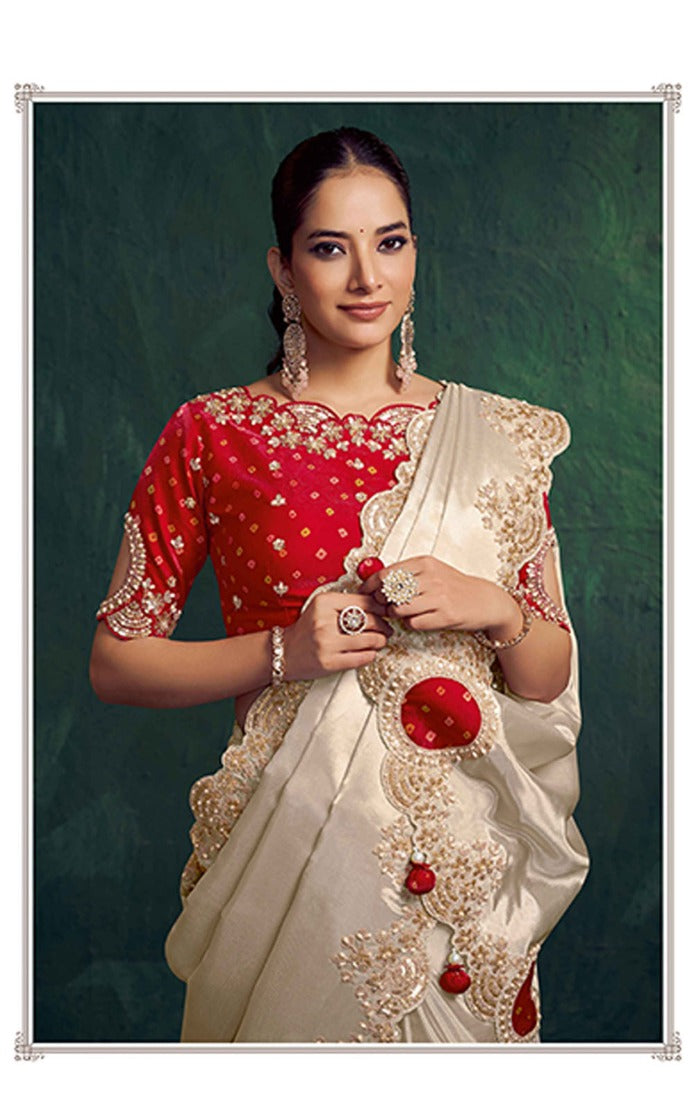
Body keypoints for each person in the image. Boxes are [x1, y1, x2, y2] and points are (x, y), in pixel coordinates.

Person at [90, 126, 589, 1044]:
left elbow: (547, 674)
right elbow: (117, 663)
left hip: (461, 879)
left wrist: (498, 608)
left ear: (414, 253)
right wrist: (285, 652)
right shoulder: (215, 433)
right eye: (331, 247)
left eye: (390, 241)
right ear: (282, 268)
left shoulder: (496, 437)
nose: (368, 277)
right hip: (293, 863)